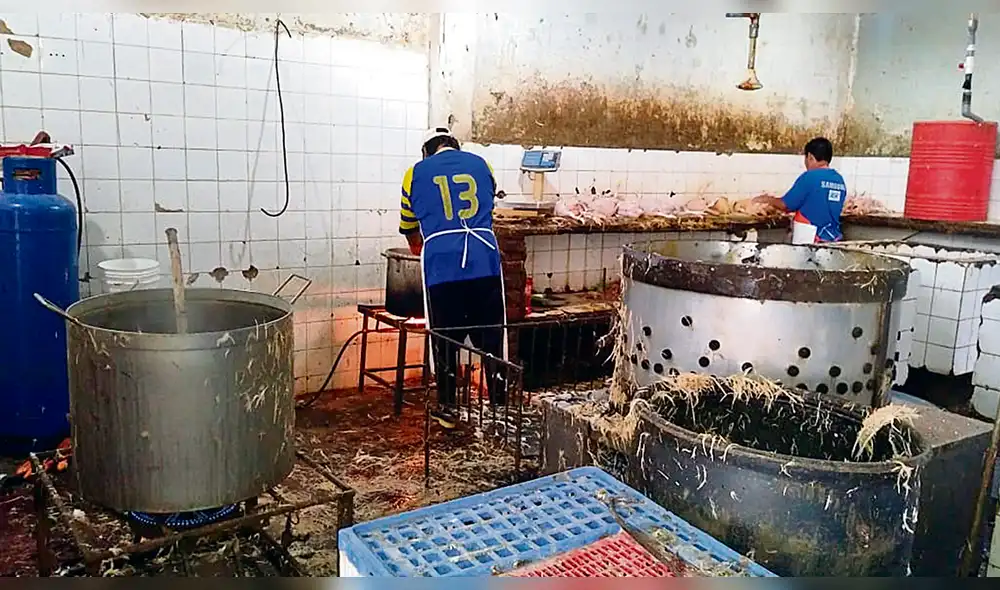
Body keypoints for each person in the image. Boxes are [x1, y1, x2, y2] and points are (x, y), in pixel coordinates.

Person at [399, 127, 507, 429]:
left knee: (445, 338)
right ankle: (500, 405)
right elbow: (488, 207)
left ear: (426, 151)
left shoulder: (414, 173)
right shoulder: (482, 165)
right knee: (491, 336)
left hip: (442, 266)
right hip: (484, 259)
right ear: (455, 148)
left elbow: (409, 225)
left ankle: (448, 408)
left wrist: (422, 250)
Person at [752, 137, 848, 244]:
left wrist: (766, 199)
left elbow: (786, 205)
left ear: (810, 157)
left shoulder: (810, 177)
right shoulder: (839, 180)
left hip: (811, 239)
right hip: (832, 237)